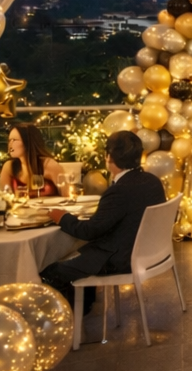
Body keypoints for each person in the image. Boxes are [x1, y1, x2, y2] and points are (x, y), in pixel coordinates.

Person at [40, 131, 167, 313]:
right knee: (82, 254)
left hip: (121, 259)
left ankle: (69, 321)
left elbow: (89, 232)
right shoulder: (152, 181)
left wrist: (62, 217)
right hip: (150, 253)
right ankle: (86, 306)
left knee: (49, 271)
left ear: (108, 157)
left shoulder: (119, 191)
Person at [0, 123, 60, 196]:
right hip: (19, 207)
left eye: (14, 140)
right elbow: (4, 196)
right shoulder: (9, 166)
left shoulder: (48, 164)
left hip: (48, 206)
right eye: (9, 140)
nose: (10, 145)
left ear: (28, 142)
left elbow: (67, 194)